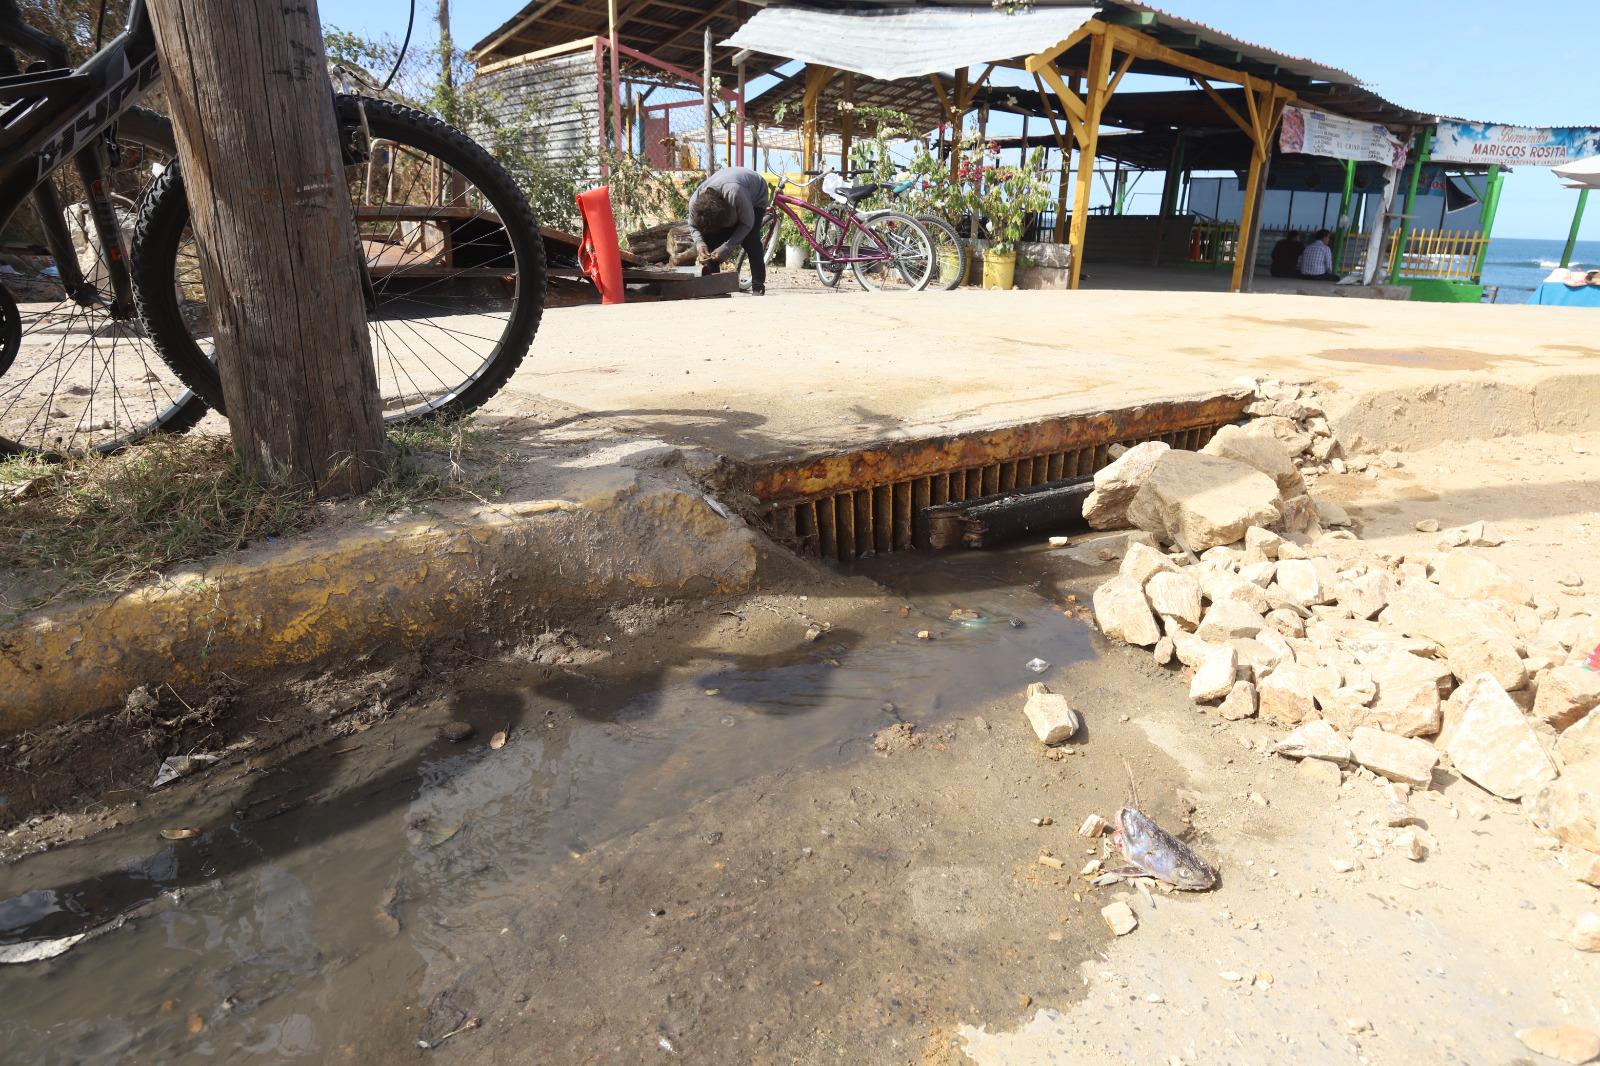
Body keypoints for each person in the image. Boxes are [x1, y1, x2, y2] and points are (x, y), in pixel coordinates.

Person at [686, 166, 770, 295]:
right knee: (710, 239)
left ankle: (758, 285)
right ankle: (714, 285)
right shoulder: (694, 202)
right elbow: (692, 226)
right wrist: (700, 243)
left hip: (755, 194)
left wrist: (727, 247)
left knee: (751, 239)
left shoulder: (736, 194)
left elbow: (747, 224)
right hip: (731, 185)